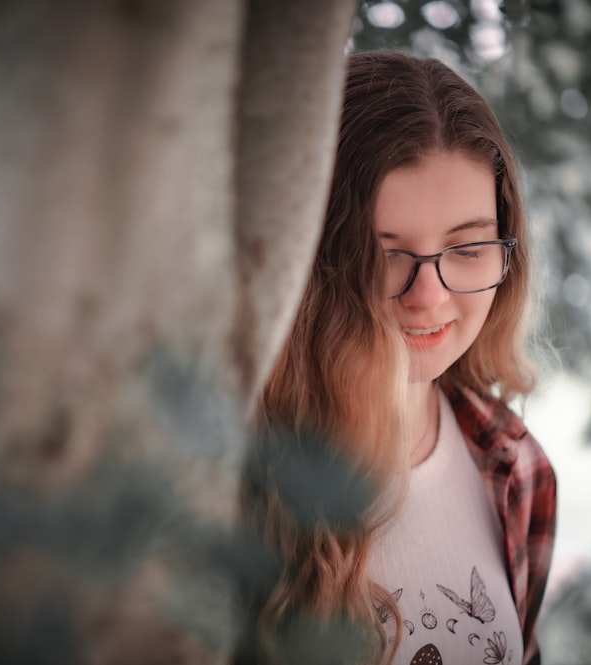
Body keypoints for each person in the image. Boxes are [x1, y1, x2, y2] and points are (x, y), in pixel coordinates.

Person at [239, 51, 557, 665]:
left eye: (467, 248)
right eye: (381, 253)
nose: (428, 297)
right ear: (306, 259)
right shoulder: (228, 477)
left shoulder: (514, 465)